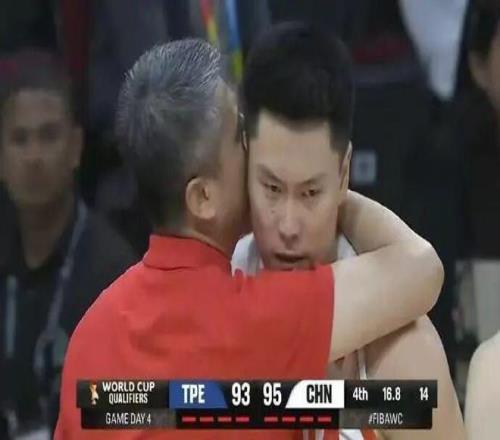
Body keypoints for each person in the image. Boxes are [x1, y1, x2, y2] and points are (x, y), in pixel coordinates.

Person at [55, 39, 443, 439]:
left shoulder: (89, 335)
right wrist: (326, 190)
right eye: (240, 134)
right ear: (203, 197)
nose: (254, 146)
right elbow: (421, 267)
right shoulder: (256, 318)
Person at [233, 23, 464, 439]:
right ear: (243, 161)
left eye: (310, 193)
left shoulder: (400, 349)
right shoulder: (214, 280)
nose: (288, 225)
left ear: (344, 176)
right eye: (271, 189)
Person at [0, 50, 137, 438]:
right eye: (19, 139)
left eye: (48, 136)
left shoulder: (114, 274)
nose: (34, 157)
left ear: (76, 147)